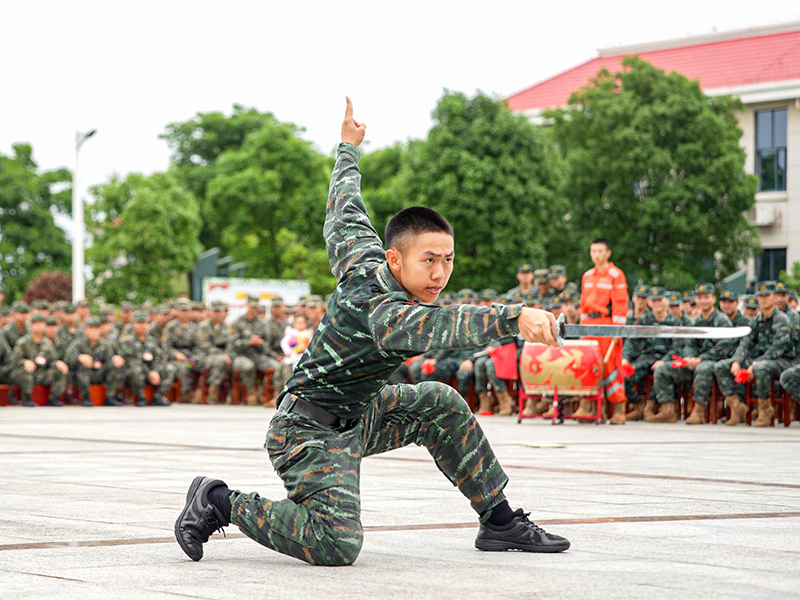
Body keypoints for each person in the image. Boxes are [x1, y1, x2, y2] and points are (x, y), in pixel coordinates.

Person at [175, 98, 569, 567]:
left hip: (360, 415)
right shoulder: (381, 310)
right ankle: (220, 501)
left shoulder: (362, 256)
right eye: (429, 260)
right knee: (336, 545)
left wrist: (348, 148)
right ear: (396, 260)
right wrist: (512, 318)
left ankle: (500, 521)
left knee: (438, 404)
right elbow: (440, 327)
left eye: (447, 259)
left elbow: (344, 207)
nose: (440, 274)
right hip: (306, 433)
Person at [652, 283, 734, 425]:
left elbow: (724, 348)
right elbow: (689, 344)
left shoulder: (722, 320)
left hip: (715, 362)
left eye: (706, 297)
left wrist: (700, 359)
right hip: (694, 362)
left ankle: (699, 411)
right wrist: (689, 357)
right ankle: (668, 410)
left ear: (713, 299)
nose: (703, 301)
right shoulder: (696, 322)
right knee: (663, 369)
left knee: (703, 368)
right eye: (700, 297)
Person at [714, 282, 791, 427]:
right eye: (760, 296)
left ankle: (765, 408)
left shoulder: (781, 320)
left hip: (784, 360)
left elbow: (777, 349)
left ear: (774, 297)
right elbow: (746, 343)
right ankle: (737, 407)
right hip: (762, 360)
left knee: (761, 368)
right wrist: (737, 361)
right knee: (722, 366)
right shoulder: (756, 320)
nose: (763, 299)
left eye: (767, 296)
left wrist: (754, 365)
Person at [578, 238, 628, 421]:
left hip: (607, 326)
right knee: (588, 365)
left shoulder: (616, 274)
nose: (596, 255)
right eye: (593, 251)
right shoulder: (587, 275)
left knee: (610, 366)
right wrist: (582, 330)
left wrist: (617, 331)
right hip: (589, 328)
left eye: (600, 251)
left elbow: (620, 304)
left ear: (608, 253)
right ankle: (590, 406)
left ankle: (618, 408)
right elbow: (583, 304)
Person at [112, 312, 174, 407]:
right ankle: (140, 397)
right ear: (133, 324)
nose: (142, 326)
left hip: (151, 371)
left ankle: (157, 397)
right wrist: (149, 373)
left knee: (170, 368)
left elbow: (158, 357)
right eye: (139, 323)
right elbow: (132, 361)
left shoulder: (152, 340)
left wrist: (155, 371)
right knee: (137, 370)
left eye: (144, 323)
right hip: (132, 373)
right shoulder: (127, 341)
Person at [229, 297, 281, 405]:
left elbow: (267, 345)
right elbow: (233, 343)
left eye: (255, 307)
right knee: (248, 366)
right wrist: (249, 342)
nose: (254, 309)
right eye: (252, 306)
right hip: (241, 355)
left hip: (257, 355)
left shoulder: (262, 324)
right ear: (247, 305)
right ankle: (250, 392)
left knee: (276, 366)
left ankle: (265, 392)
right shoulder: (237, 322)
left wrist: (260, 343)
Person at [64, 317, 126, 407]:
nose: (93, 331)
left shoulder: (105, 344)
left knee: (114, 365)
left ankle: (110, 396)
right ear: (85, 331)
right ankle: (85, 396)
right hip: (81, 376)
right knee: (83, 365)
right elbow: (67, 360)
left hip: (99, 373)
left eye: (96, 328)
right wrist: (79, 357)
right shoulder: (78, 343)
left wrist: (116, 359)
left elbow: (110, 359)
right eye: (91, 328)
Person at [10, 313, 69, 407]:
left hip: (42, 373)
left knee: (59, 370)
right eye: (36, 324)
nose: (38, 326)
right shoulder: (23, 342)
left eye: (41, 323)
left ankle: (54, 398)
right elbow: (14, 360)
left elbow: (52, 360)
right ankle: (27, 398)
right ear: (31, 325)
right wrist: (24, 361)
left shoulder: (48, 343)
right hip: (27, 373)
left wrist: (58, 363)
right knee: (24, 371)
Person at [195, 301, 233, 405]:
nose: (217, 314)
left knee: (236, 361)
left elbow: (230, 344)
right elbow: (204, 345)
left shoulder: (226, 327)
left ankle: (232, 395)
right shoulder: (203, 326)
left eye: (219, 311)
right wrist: (222, 355)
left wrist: (227, 355)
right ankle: (213, 391)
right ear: (210, 312)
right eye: (215, 311)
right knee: (220, 361)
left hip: (224, 356)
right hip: (206, 356)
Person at [163, 299, 200, 403]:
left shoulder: (195, 328)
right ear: (177, 311)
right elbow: (166, 346)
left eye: (186, 310)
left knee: (202, 365)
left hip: (191, 357)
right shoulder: (170, 327)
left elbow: (199, 346)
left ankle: (199, 393)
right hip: (175, 359)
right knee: (185, 368)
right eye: (182, 310)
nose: (184, 313)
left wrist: (194, 358)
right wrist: (176, 354)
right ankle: (186, 394)